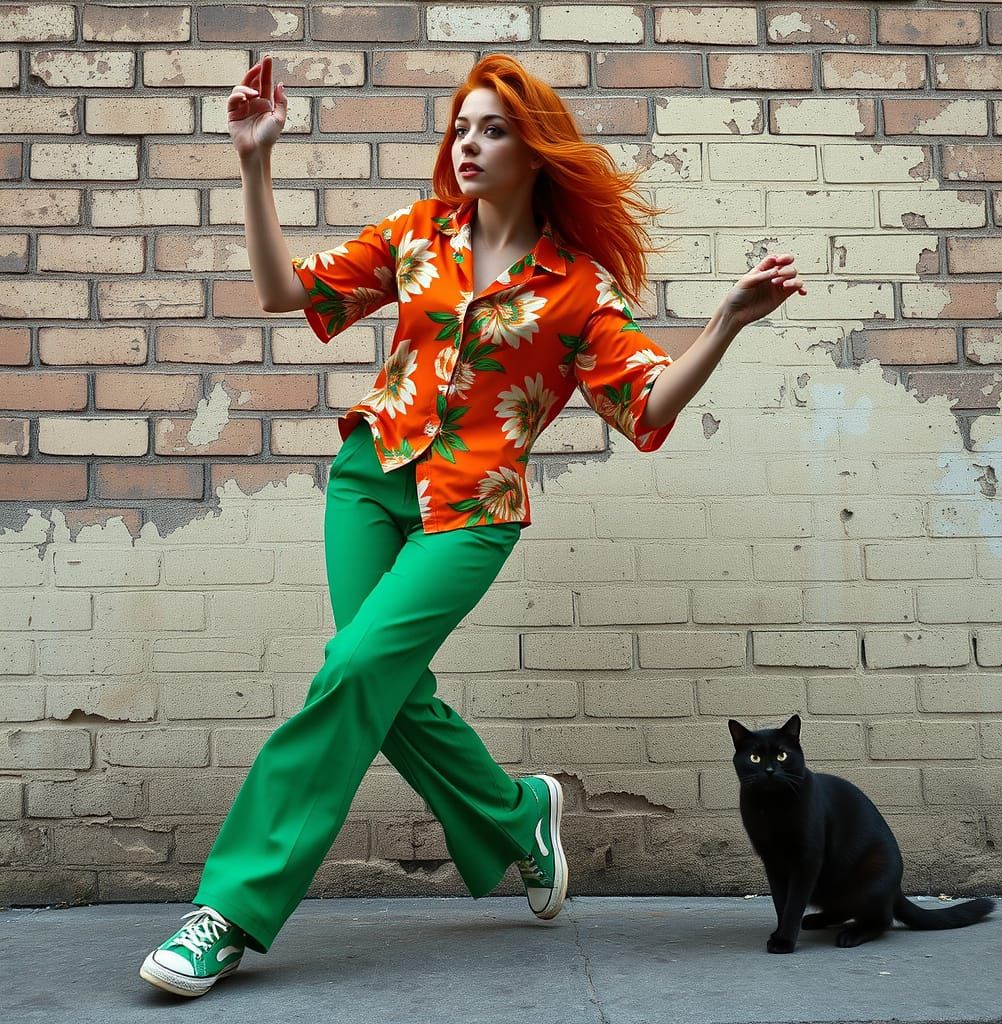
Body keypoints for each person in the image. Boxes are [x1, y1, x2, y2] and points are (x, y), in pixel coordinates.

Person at [139, 52, 805, 998]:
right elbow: (291, 293)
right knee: (383, 686)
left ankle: (229, 913)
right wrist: (255, 161)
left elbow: (648, 407)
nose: (470, 144)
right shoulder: (420, 236)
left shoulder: (576, 287)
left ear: (534, 152)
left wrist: (727, 322)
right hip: (369, 480)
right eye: (461, 127)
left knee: (357, 671)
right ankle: (516, 813)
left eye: (492, 129)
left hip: (473, 508)